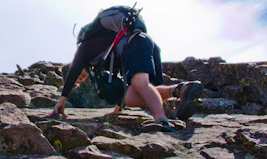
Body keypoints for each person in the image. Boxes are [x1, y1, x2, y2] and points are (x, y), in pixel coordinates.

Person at [48, 14, 202, 132]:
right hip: (143, 45)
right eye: (79, 81)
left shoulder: (85, 49)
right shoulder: (100, 60)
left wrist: (61, 101)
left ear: (73, 64)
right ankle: (181, 90)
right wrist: (117, 110)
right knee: (132, 97)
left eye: (78, 77)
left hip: (136, 41)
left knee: (140, 83)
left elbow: (74, 70)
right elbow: (122, 80)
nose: (80, 78)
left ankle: (161, 121)